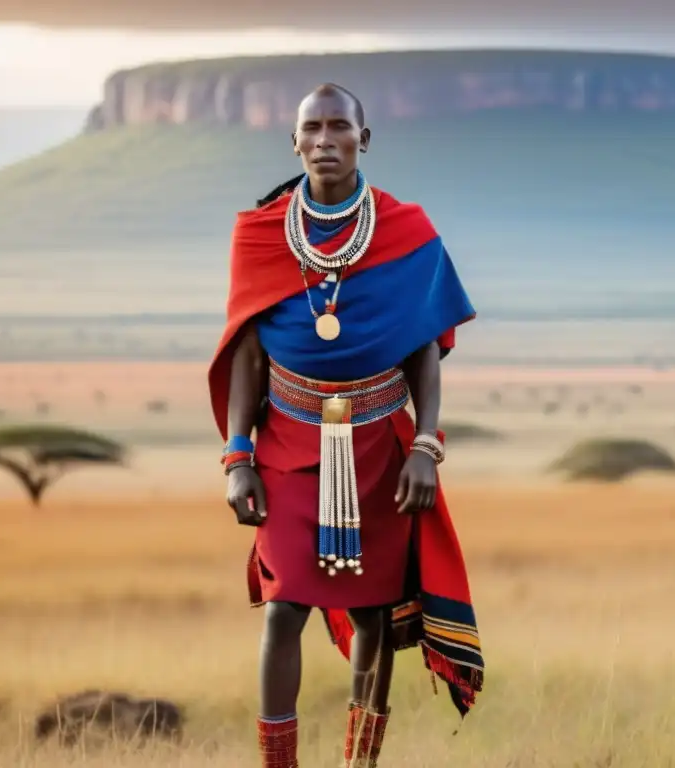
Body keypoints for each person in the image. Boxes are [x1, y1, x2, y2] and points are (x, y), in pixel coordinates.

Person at [206, 83, 485, 768]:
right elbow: (246, 351)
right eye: (312, 128)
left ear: (365, 138)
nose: (325, 140)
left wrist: (426, 443)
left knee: (374, 618)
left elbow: (425, 345)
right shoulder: (260, 234)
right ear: (293, 142)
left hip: (379, 448)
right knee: (283, 610)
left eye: (339, 126)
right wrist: (237, 455)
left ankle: (359, 763)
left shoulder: (406, 231)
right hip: (288, 446)